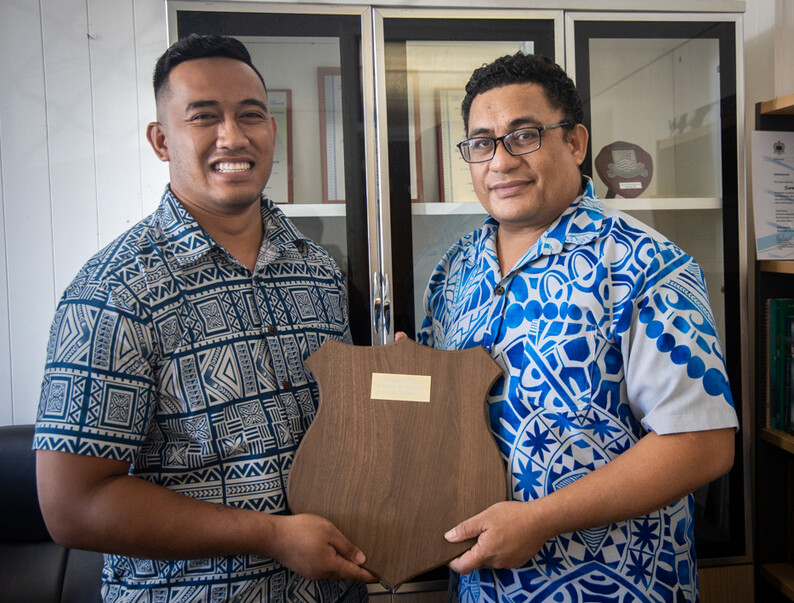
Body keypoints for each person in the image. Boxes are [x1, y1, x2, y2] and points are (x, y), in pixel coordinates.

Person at [34, 34, 372, 602]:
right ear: (162, 140)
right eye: (204, 117)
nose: (233, 137)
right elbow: (74, 507)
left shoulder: (319, 270)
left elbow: (343, 428)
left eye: (251, 115)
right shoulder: (113, 292)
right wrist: (271, 536)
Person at [418, 52, 739, 602]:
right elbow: (442, 419)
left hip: (620, 587)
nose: (499, 161)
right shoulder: (452, 271)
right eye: (481, 142)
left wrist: (539, 520)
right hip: (479, 587)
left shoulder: (646, 265)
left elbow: (701, 443)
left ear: (574, 142)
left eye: (524, 135)